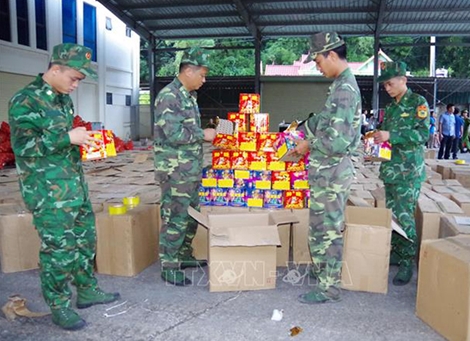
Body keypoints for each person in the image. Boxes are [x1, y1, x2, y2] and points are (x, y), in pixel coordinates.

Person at [8, 44, 120, 331]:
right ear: (55, 69)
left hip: (74, 185)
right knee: (59, 249)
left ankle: (86, 290)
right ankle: (58, 304)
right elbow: (23, 148)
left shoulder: (62, 100)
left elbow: (63, 141)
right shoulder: (25, 100)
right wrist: (66, 137)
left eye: (80, 80)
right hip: (47, 192)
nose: (76, 84)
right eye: (74, 77)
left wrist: (84, 143)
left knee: (85, 241)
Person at [292, 32, 361, 304]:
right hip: (326, 173)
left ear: (332, 55)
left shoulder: (345, 89)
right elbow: (324, 119)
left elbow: (337, 140)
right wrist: (300, 129)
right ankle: (323, 273)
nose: (317, 67)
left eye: (318, 61)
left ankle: (329, 288)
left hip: (332, 172)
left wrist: (307, 145)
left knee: (328, 231)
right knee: (320, 227)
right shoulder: (340, 85)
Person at [154, 47, 216, 286]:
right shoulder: (169, 96)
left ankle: (182, 254)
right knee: (175, 217)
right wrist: (204, 134)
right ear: (188, 71)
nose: (204, 80)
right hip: (175, 170)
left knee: (190, 215)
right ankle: (168, 264)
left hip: (189, 168)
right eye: (201, 75)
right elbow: (174, 134)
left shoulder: (189, 96)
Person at [373, 61, 430, 285]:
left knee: (405, 216)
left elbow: (423, 134)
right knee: (393, 215)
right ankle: (397, 251)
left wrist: (391, 135)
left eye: (390, 83)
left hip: (408, 172)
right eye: (385, 85)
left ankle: (407, 261)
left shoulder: (418, 103)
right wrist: (376, 143)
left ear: (403, 80)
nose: (387, 88)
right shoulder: (391, 108)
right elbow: (386, 138)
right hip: (390, 171)